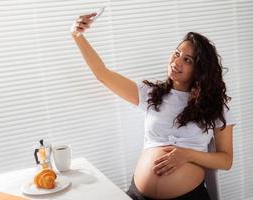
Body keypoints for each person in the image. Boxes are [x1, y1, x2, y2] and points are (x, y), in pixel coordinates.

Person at [71, 12, 235, 200]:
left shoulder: (216, 106)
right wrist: (78, 36)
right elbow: (102, 74)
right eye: (177, 53)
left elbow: (226, 160)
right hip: (138, 196)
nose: (177, 62)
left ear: (200, 70)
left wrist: (187, 155)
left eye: (187, 60)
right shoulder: (151, 94)